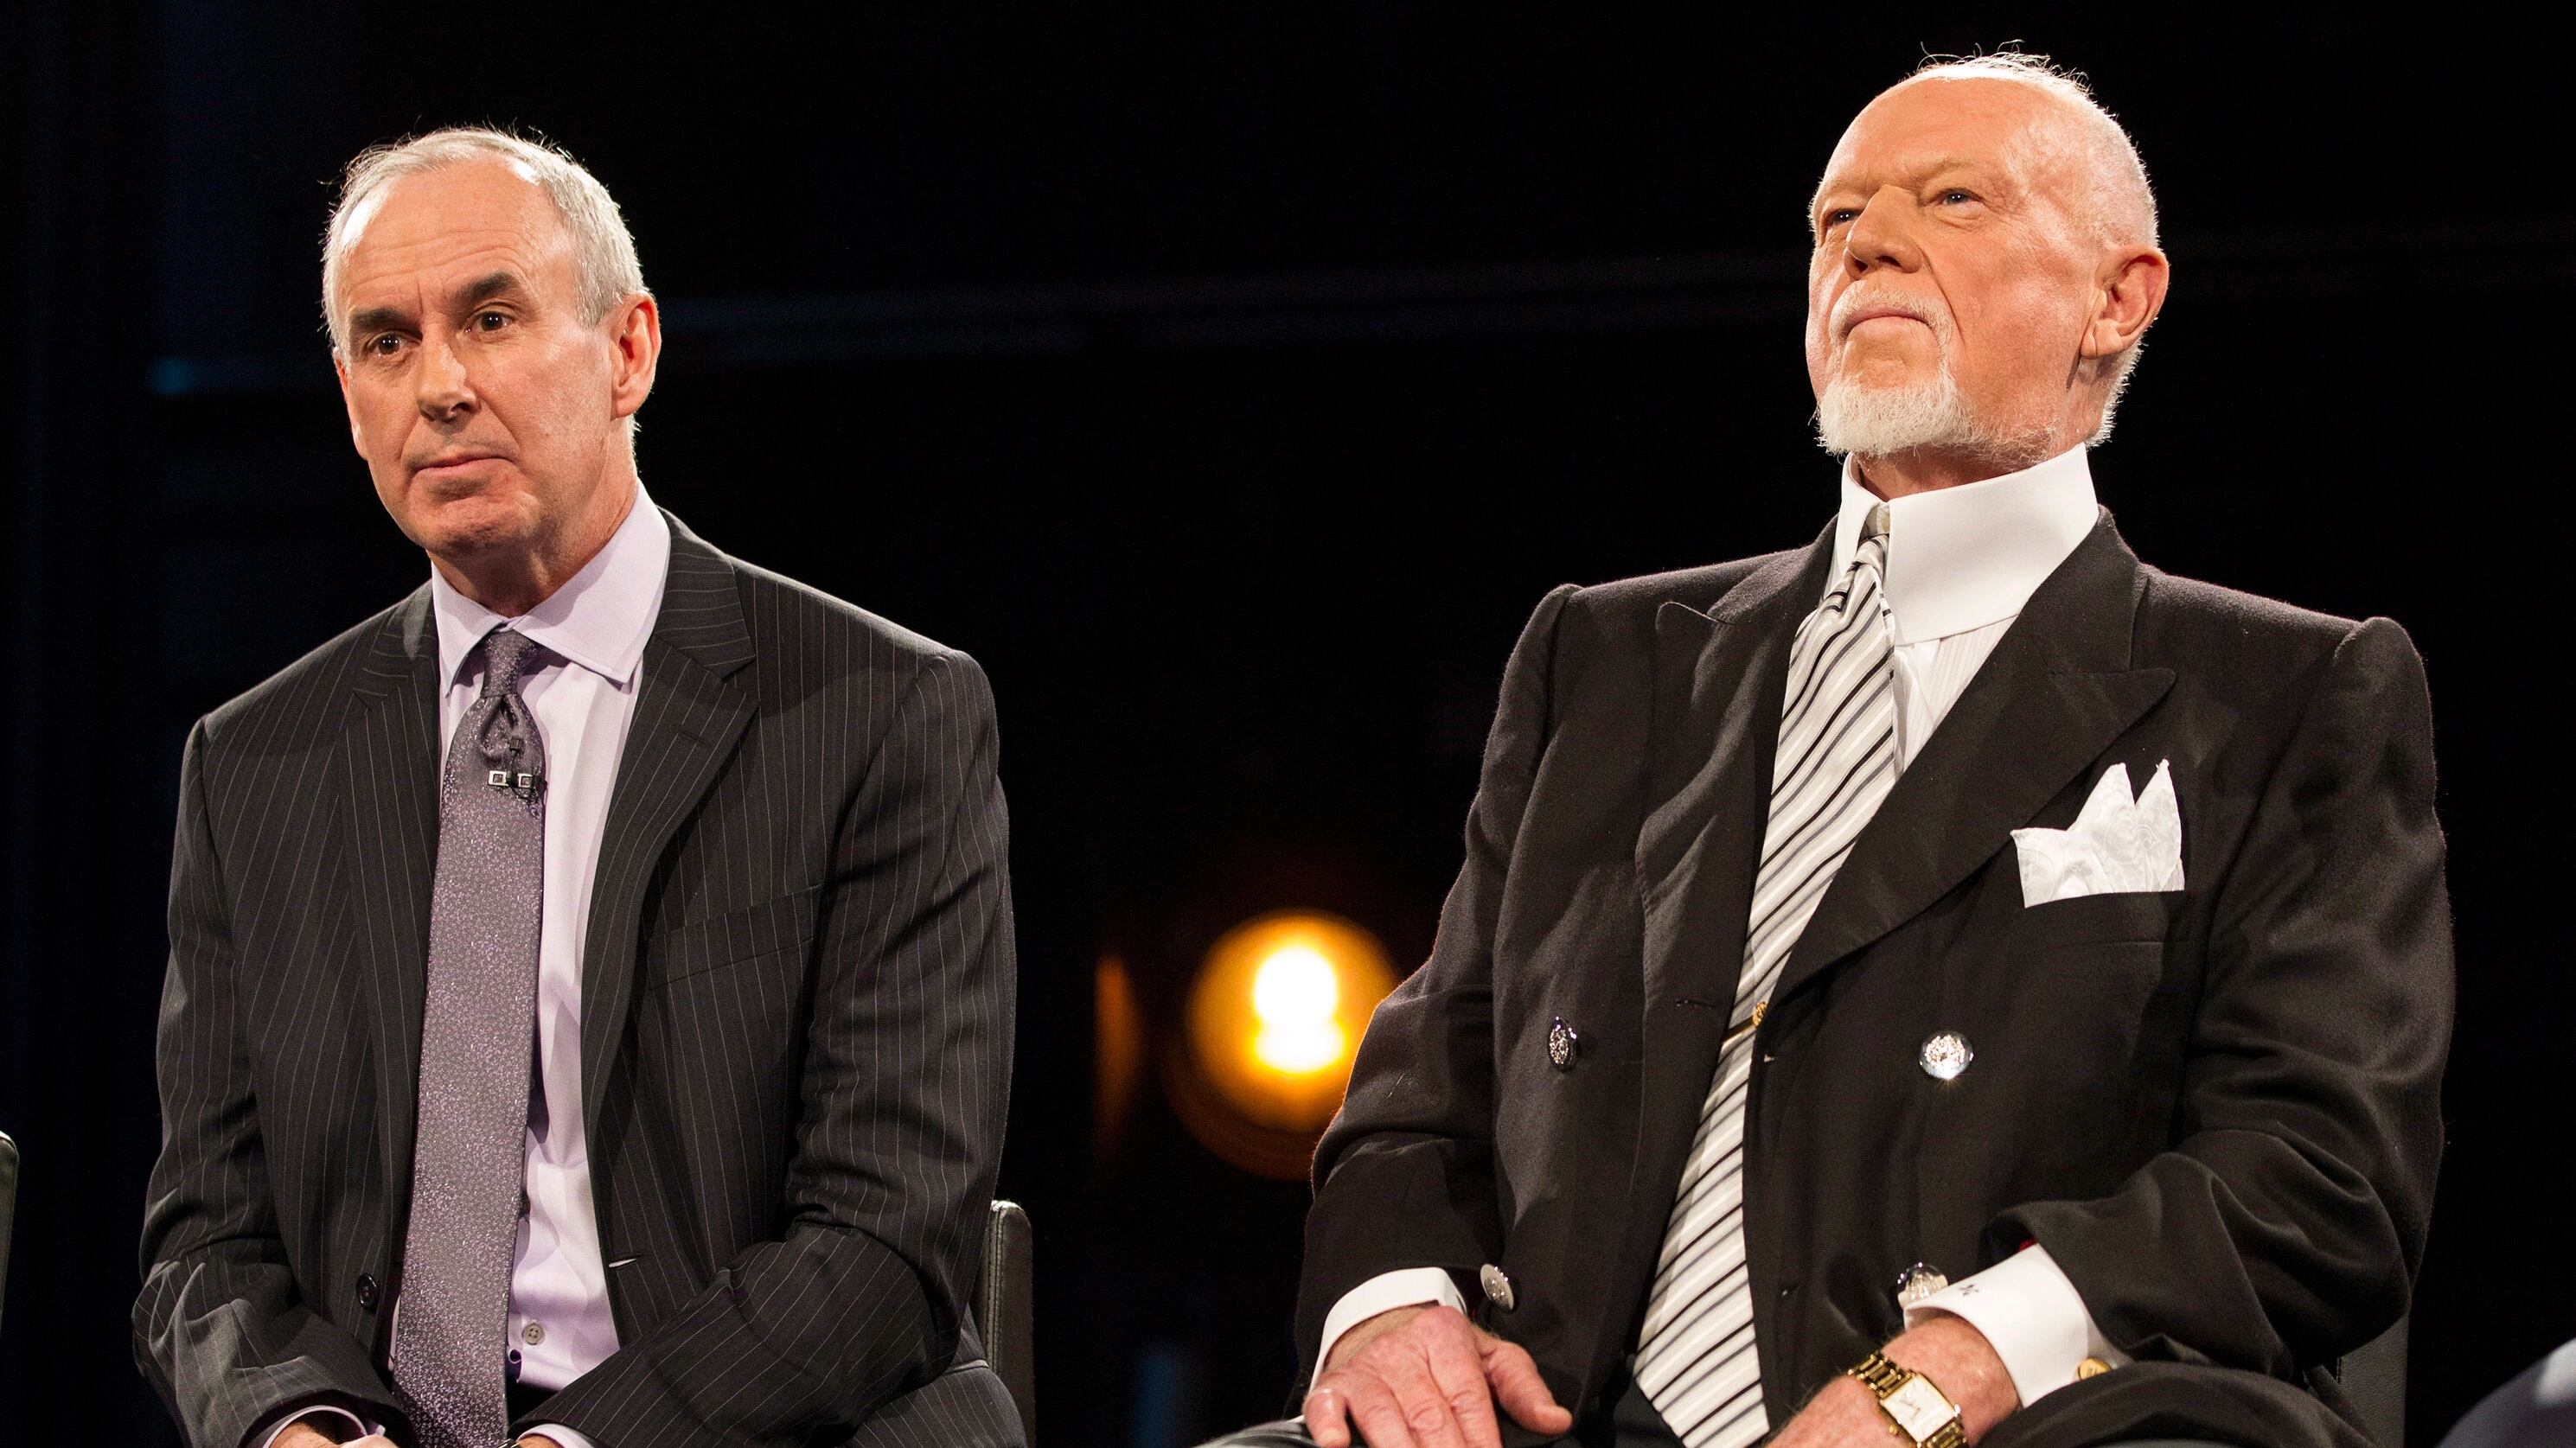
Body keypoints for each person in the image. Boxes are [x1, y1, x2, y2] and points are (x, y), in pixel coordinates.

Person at [1208, 53, 2449, 1448]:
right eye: (1836, 219)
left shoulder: (2288, 693)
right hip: (1568, 1415)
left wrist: (1954, 1367)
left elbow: (2319, 1173)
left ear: (2120, 298)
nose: (1869, 244)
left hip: (2042, 1419)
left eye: (1954, 199)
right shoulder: (1603, 660)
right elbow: (1427, 1089)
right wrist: (1389, 1306)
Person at [133, 129, 1022, 1448]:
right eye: (387, 342)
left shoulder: (877, 713)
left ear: (628, 351)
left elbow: (886, 1237)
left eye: (491, 319)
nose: (440, 386)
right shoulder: (254, 763)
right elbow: (205, 1244)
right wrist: (294, 1423)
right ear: (349, 398)